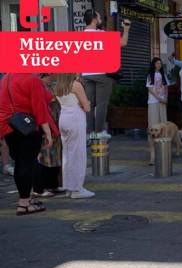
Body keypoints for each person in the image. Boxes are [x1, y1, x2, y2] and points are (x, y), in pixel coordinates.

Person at [0, 73, 59, 215]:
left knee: (20, 164)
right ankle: (24, 204)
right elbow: (40, 109)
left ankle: (27, 199)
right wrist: (49, 134)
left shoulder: (5, 78)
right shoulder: (32, 80)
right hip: (28, 126)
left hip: (8, 126)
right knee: (27, 164)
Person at [82, 9, 130, 138]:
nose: (100, 20)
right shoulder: (101, 34)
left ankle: (89, 133)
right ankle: (99, 132)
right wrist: (126, 28)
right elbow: (123, 43)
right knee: (102, 103)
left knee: (89, 104)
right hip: (102, 74)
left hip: (86, 74)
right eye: (99, 17)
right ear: (94, 20)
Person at [54, 73, 94, 199]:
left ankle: (69, 187)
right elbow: (86, 107)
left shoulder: (58, 86)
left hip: (63, 117)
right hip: (75, 117)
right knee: (78, 154)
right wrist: (87, 102)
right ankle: (77, 189)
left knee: (67, 154)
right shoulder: (76, 85)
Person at [146, 57, 170, 165]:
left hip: (162, 102)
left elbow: (166, 88)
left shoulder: (163, 75)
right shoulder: (150, 75)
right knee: (152, 127)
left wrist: (165, 98)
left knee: (163, 126)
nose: (159, 65)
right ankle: (152, 156)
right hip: (153, 102)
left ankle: (164, 152)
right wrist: (160, 98)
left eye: (160, 63)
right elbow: (150, 89)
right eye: (157, 63)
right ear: (153, 64)